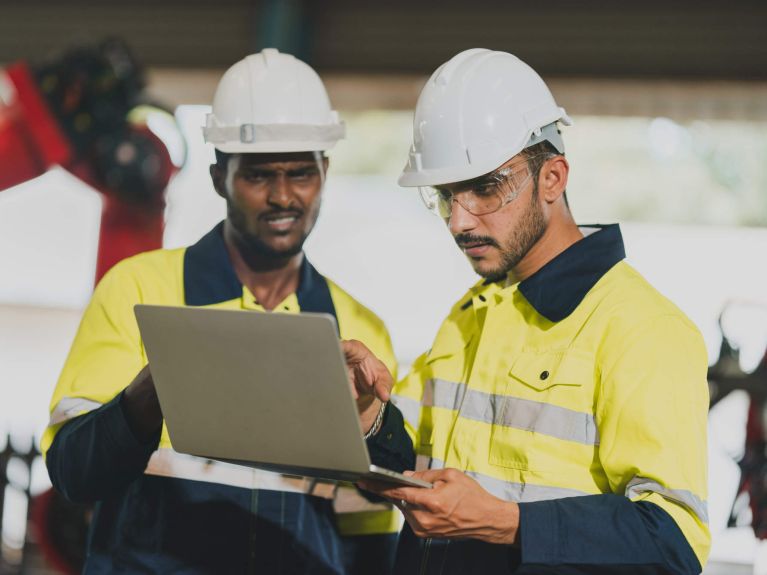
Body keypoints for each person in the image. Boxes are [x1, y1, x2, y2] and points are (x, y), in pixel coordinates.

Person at [42, 48, 400, 575]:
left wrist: (372, 422)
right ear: (218, 177)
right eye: (259, 176)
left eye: (301, 173)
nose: (283, 196)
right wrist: (149, 392)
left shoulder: (359, 329)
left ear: (325, 170)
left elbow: (369, 528)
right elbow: (75, 474)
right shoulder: (138, 290)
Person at [355, 48, 710, 574]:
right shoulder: (472, 312)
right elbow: (420, 471)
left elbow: (673, 544)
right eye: (446, 195)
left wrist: (502, 521)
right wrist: (368, 414)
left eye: (485, 188)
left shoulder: (643, 330)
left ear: (553, 178)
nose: (459, 221)